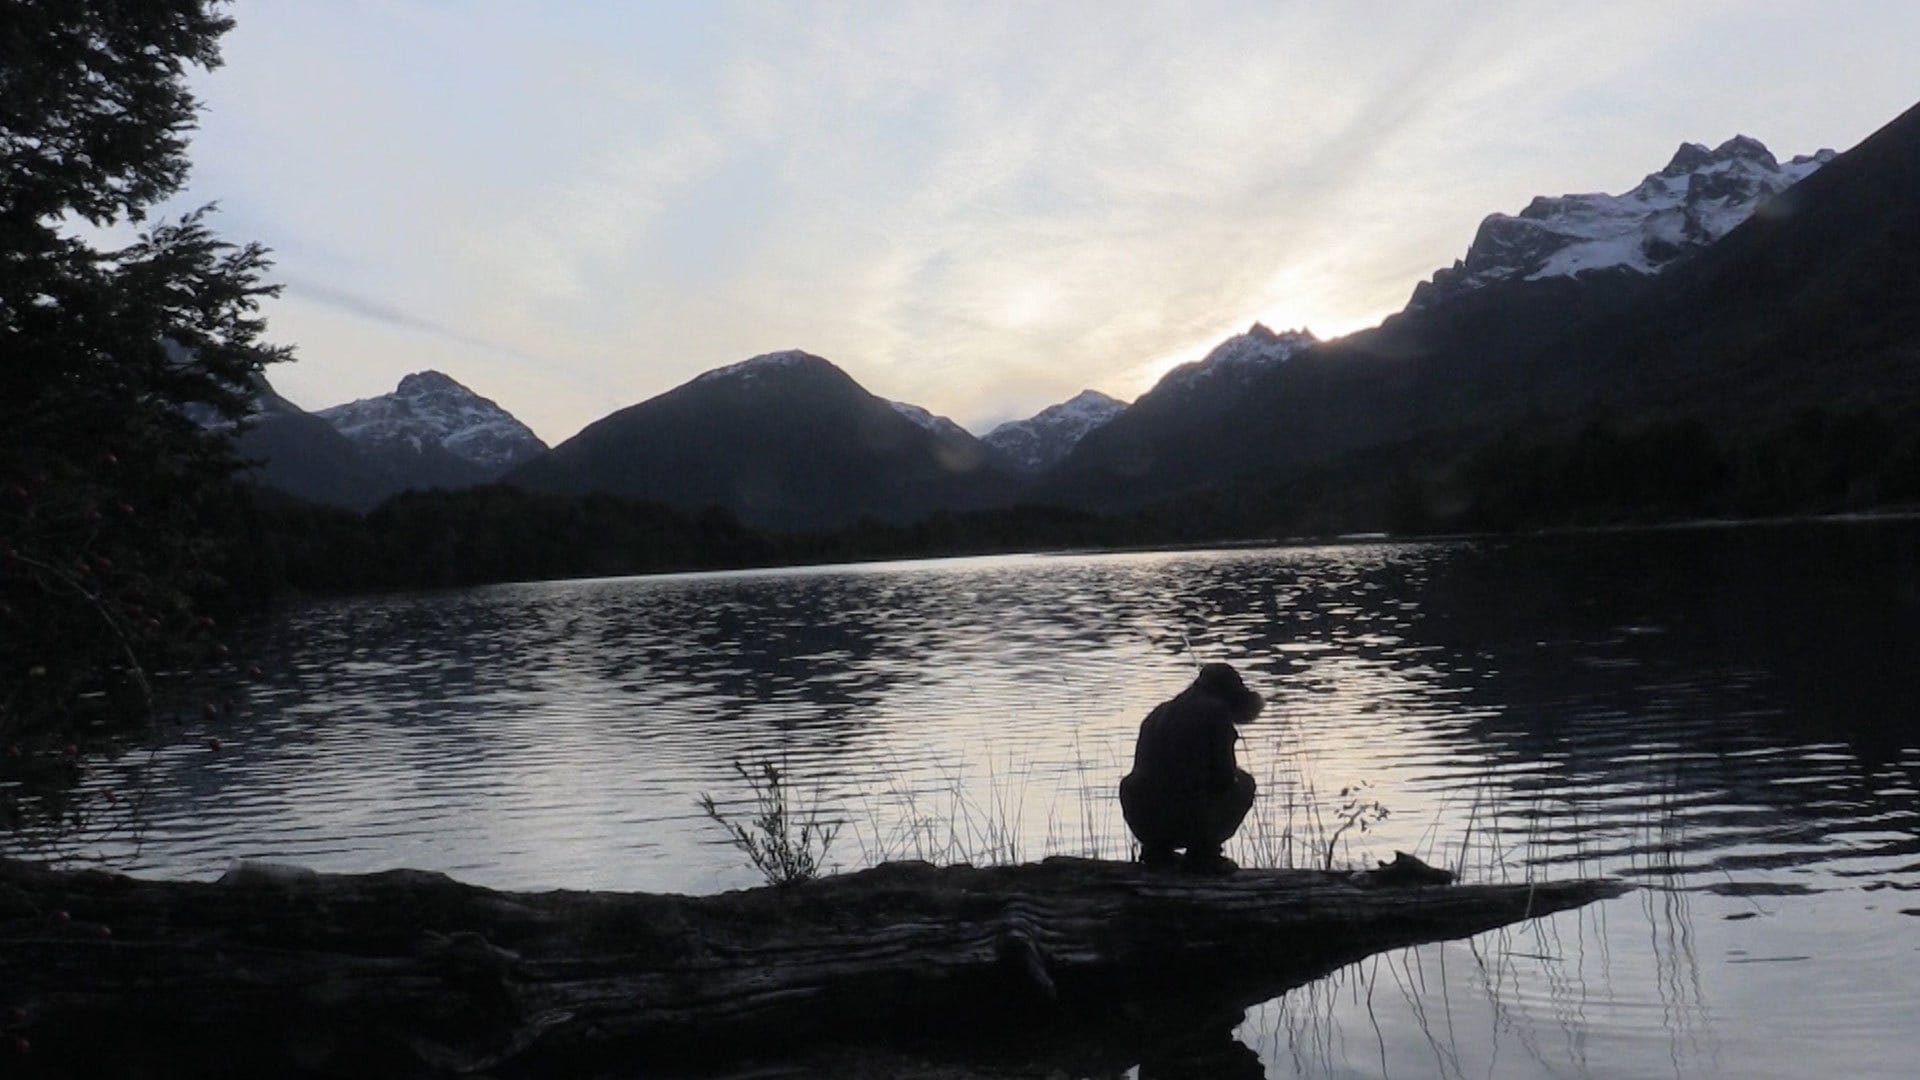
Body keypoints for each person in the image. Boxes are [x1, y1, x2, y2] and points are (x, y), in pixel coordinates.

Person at [1119, 662, 1262, 874]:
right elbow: (1223, 778)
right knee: (1245, 783)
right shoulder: (1217, 712)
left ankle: (1157, 852)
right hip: (1188, 816)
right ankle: (1204, 854)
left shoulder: (1159, 712)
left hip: (1146, 822)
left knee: (1143, 784)